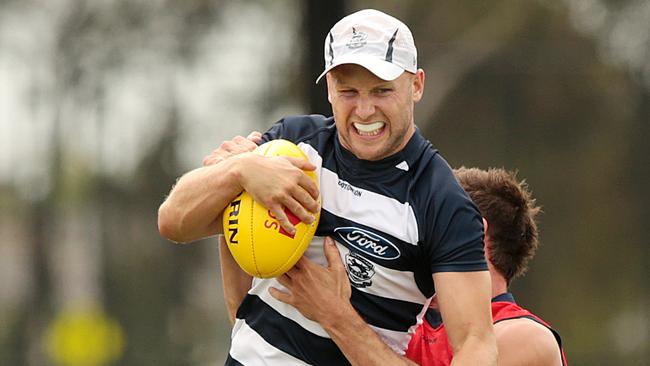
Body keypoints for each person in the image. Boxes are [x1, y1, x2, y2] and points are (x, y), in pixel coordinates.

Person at [158, 9, 497, 366]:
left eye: (382, 91)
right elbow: (173, 221)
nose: (365, 110)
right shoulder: (294, 145)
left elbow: (478, 348)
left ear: (416, 85)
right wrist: (239, 172)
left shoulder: (441, 202)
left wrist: (336, 317)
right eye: (348, 91)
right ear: (330, 90)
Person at [406, 167, 568, 365]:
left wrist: (356, 331)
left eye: (427, 227)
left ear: (470, 233)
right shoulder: (403, 323)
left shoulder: (525, 337)